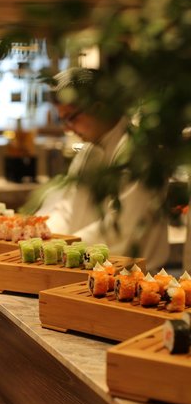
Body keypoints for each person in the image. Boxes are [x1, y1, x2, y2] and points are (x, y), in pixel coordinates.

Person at [23, 67, 169, 270]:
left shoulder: (138, 151)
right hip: (84, 265)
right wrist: (43, 236)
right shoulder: (88, 150)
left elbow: (120, 228)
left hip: (134, 275)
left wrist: (61, 248)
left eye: (71, 118)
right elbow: (67, 209)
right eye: (62, 119)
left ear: (98, 107)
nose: (66, 128)